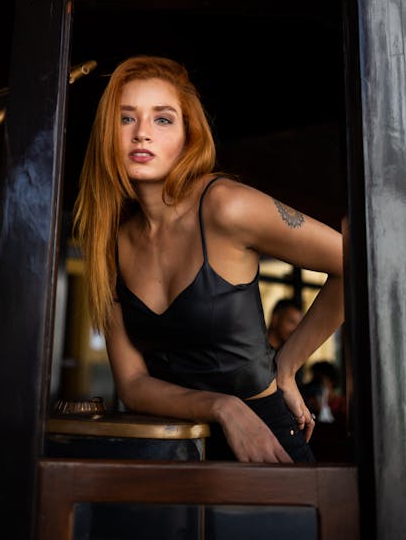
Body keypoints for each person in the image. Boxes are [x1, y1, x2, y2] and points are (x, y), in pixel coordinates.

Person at [72, 55, 344, 464]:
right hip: (169, 450)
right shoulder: (109, 241)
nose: (142, 134)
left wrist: (286, 366)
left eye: (162, 119)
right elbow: (132, 384)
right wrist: (223, 407)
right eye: (126, 119)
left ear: (188, 136)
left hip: (266, 443)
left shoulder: (224, 207)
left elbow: (353, 263)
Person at [267, 298, 305, 387]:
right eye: (291, 322)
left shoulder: (292, 356)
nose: (296, 330)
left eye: (299, 325)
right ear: (275, 319)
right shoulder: (255, 351)